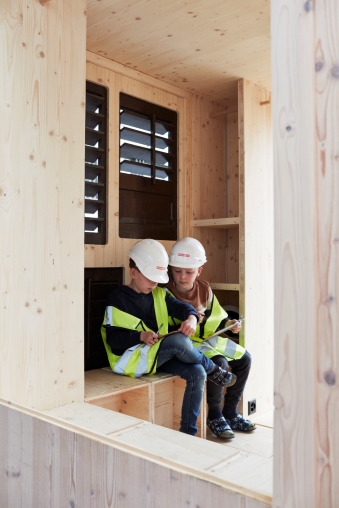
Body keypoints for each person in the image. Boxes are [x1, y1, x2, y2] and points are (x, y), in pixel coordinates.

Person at [101, 238, 236, 437]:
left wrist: (191, 317)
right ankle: (213, 369)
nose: (155, 283)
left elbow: (182, 307)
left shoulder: (159, 293)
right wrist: (140, 336)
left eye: (158, 278)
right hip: (131, 359)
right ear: (134, 272)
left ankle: (187, 435)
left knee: (197, 372)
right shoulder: (117, 299)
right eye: (150, 277)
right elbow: (113, 338)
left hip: (156, 356)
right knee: (180, 341)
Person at [166, 237, 256, 439]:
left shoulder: (205, 288)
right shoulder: (165, 292)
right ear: (170, 268)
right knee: (220, 363)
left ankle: (230, 412)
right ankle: (214, 415)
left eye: (189, 272)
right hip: (188, 344)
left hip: (208, 339)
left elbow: (219, 316)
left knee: (245, 359)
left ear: (199, 270)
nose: (182, 277)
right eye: (177, 271)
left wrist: (229, 325)